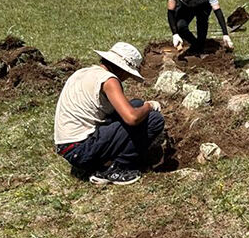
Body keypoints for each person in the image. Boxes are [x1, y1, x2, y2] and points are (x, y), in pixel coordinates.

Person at [53, 42, 166, 185]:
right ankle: (117, 168)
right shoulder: (109, 80)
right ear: (122, 69)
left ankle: (104, 163)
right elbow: (132, 118)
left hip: (68, 147)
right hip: (81, 149)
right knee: (154, 119)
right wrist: (149, 106)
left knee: (136, 104)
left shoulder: (83, 73)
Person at [167, 0, 233, 54]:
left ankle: (200, 45)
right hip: (185, 5)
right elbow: (170, 11)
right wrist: (175, 34)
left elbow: (217, 10)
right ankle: (195, 44)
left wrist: (225, 34)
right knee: (180, 26)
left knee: (202, 24)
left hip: (203, 5)